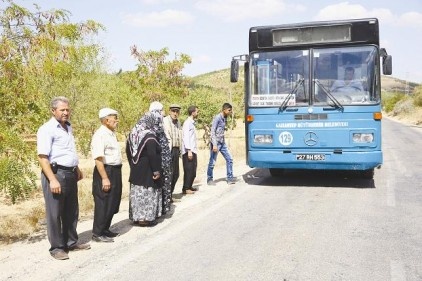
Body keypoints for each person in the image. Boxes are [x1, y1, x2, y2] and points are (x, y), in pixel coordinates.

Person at [37, 96, 91, 260]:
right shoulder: (47, 129)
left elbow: (67, 150)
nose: (66, 112)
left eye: (68, 109)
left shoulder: (68, 127)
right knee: (55, 212)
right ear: (53, 111)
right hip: (55, 173)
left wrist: (76, 167)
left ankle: (71, 242)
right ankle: (57, 248)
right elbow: (42, 157)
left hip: (70, 173)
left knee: (71, 210)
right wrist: (52, 179)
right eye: (62, 110)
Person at [126, 109, 163, 226]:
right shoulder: (150, 135)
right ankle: (145, 218)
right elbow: (152, 154)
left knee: (137, 193)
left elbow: (127, 151)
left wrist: (133, 164)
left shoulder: (133, 134)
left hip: (136, 169)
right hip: (148, 169)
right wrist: (156, 170)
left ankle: (137, 217)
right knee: (147, 192)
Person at [90, 108, 122, 243]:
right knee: (103, 201)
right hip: (106, 171)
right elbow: (98, 159)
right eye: (114, 117)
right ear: (106, 119)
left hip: (115, 170)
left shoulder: (111, 133)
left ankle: (105, 229)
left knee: (113, 201)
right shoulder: (100, 135)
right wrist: (104, 178)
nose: (116, 120)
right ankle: (98, 233)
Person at [149, 101, 172, 214]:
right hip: (160, 160)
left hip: (165, 159)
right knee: (162, 182)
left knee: (166, 181)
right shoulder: (154, 126)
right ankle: (161, 207)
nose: (163, 113)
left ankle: (164, 206)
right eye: (161, 110)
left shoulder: (159, 124)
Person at [207, 103, 236, 185]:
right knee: (212, 162)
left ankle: (230, 178)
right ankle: (209, 179)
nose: (230, 112)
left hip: (222, 143)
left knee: (229, 159)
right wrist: (215, 144)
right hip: (216, 143)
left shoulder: (224, 118)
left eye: (231, 110)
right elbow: (212, 131)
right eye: (229, 110)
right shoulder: (218, 118)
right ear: (224, 110)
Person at [163, 103, 183, 202]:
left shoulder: (178, 122)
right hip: (168, 150)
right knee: (168, 174)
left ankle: (169, 195)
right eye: (173, 111)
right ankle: (166, 196)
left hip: (176, 150)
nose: (175, 113)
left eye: (177, 111)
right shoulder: (165, 121)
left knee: (176, 173)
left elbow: (180, 137)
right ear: (169, 111)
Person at [181, 105, 199, 194]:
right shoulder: (187, 123)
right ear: (193, 112)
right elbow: (186, 137)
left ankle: (190, 186)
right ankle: (186, 188)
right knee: (188, 169)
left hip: (193, 150)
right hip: (189, 151)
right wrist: (189, 150)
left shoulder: (192, 122)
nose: (197, 113)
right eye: (197, 111)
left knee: (193, 170)